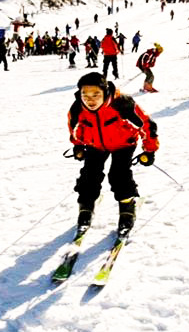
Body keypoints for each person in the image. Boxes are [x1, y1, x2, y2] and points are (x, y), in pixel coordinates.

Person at [67, 72, 159, 235]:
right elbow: (74, 127)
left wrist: (150, 150)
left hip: (123, 144)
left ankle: (127, 207)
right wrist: (78, 145)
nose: (90, 100)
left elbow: (147, 124)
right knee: (89, 175)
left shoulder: (122, 104)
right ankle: (86, 207)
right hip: (95, 144)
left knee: (118, 175)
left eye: (96, 94)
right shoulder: (77, 109)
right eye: (85, 95)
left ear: (105, 92)